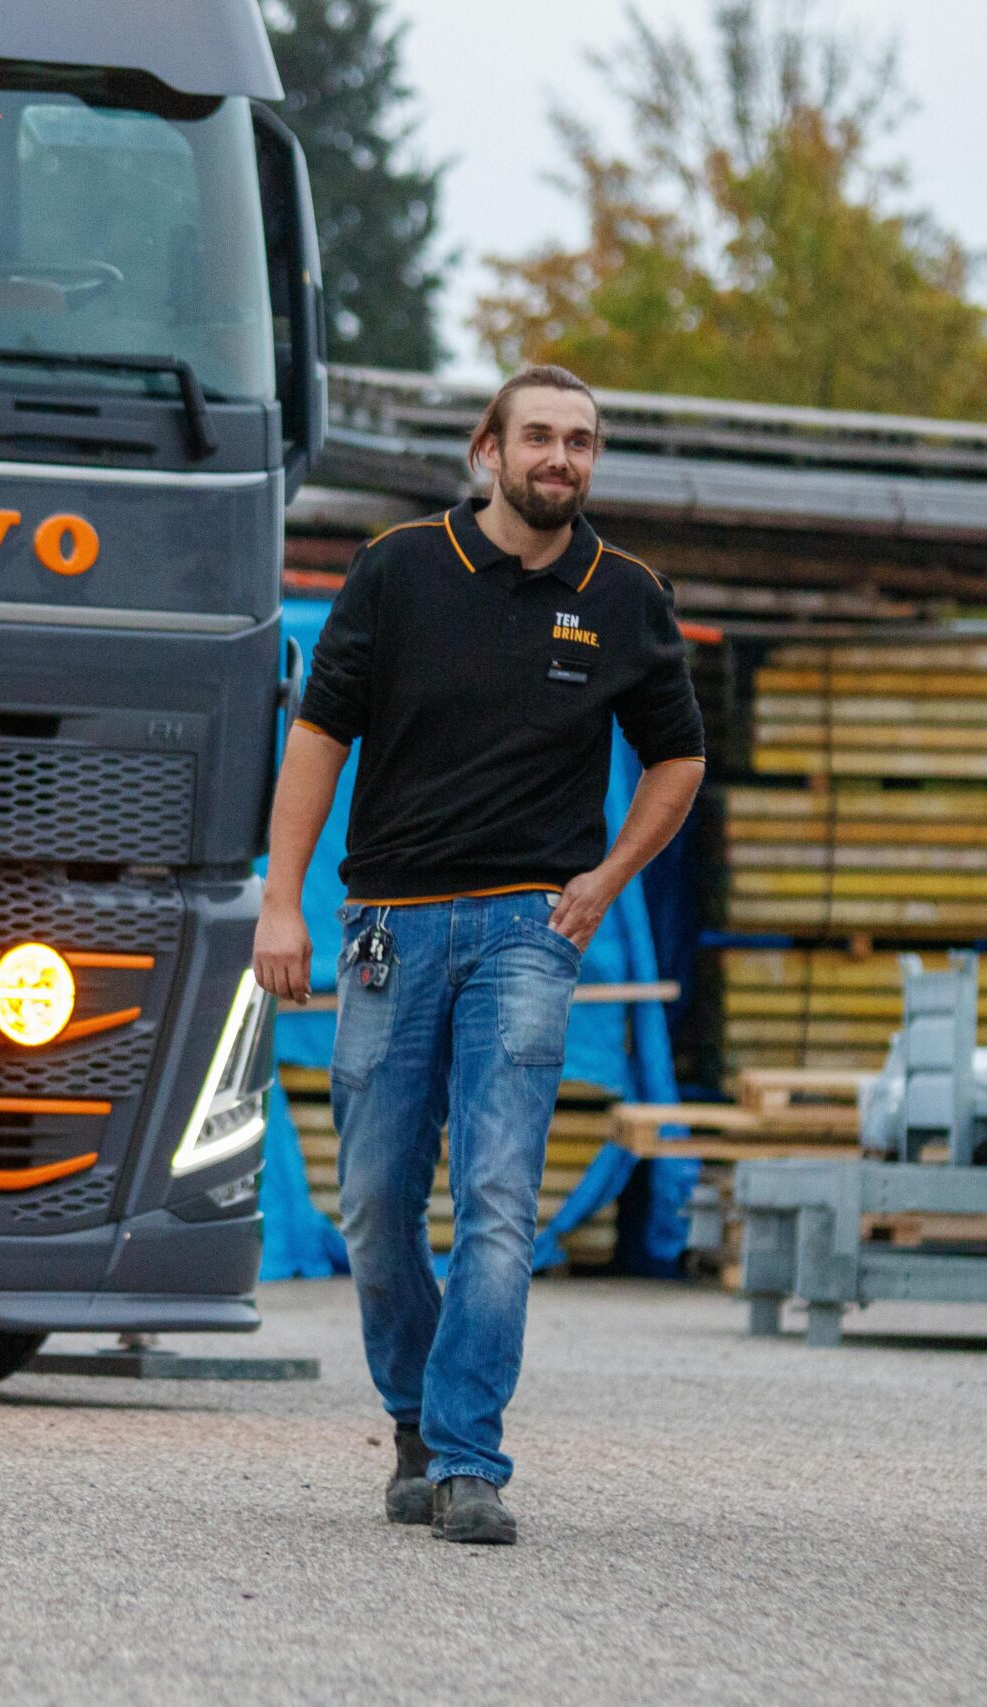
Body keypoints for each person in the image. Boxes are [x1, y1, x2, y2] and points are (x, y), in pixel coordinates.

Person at [253, 365, 706, 1546]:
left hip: (526, 927)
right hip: (385, 928)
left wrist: (608, 879)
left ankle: (467, 1460)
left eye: (584, 442)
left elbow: (678, 759)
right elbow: (317, 737)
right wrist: (280, 905)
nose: (563, 458)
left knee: (498, 1198)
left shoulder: (625, 596)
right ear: (486, 451)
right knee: (373, 1198)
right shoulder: (397, 569)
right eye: (542, 437)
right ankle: (411, 1414)